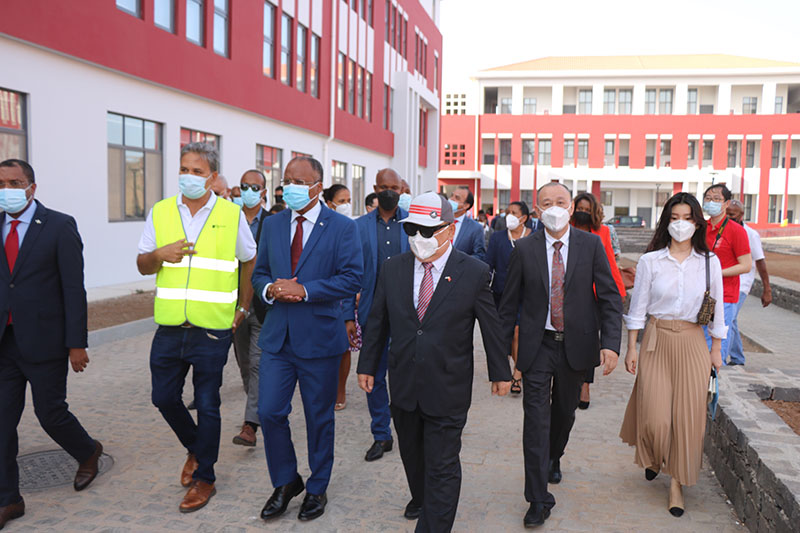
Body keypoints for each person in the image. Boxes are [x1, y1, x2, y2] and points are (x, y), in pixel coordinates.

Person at [357, 192, 511, 532]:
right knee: (414, 460)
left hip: (448, 386)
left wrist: (501, 372)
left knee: (442, 467)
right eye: (411, 230)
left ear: (449, 230)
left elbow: (491, 326)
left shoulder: (473, 272)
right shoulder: (393, 268)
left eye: (427, 231)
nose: (418, 238)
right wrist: (367, 365)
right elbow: (378, 320)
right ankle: (424, 501)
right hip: (404, 385)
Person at [136, 142, 257, 513]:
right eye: (184, 169)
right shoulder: (160, 211)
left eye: (197, 171)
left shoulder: (231, 214)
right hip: (170, 325)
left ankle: (206, 478)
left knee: (207, 403)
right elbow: (142, 264)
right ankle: (196, 447)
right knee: (163, 398)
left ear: (212, 177)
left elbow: (249, 259)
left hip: (211, 329)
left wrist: (243, 306)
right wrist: (159, 255)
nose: (188, 176)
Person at [498, 182, 622, 528]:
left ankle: (554, 456)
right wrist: (499, 360)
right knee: (535, 421)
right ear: (537, 210)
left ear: (570, 207)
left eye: (561, 201)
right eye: (546, 202)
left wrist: (611, 344)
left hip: (575, 346)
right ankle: (538, 498)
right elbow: (508, 306)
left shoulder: (591, 245)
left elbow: (610, 297)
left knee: (564, 413)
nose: (554, 207)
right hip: (537, 347)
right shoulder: (524, 248)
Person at [252, 156, 362, 522]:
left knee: (319, 418)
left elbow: (352, 278)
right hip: (278, 338)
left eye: (299, 182)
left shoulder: (342, 227)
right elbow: (259, 273)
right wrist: (270, 289)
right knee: (269, 412)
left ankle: (317, 487)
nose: (291, 187)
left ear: (318, 186)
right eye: (287, 180)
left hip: (320, 339)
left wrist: (306, 290)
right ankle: (286, 481)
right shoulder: (273, 224)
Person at [0, 159, 103, 530]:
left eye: (15, 183)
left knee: (51, 414)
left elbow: (73, 289)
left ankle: (87, 451)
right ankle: (9, 500)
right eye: (1, 183)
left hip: (45, 341)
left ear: (32, 187)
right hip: (4, 345)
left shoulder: (59, 225)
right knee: (2, 424)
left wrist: (77, 343)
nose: (7, 189)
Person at [620, 192, 725, 517]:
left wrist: (716, 349)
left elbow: (717, 309)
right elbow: (638, 307)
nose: (681, 225)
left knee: (687, 420)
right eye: (675, 218)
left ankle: (676, 484)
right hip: (656, 339)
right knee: (656, 418)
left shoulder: (710, 262)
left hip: (693, 342)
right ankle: (654, 456)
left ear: (698, 223)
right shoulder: (651, 261)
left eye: (688, 218)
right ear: (666, 222)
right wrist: (631, 347)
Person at [344, 169, 409, 462]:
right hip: (372, 313)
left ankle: (409, 430)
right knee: (373, 375)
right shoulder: (358, 227)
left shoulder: (413, 224)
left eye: (394, 187)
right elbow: (349, 274)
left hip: (408, 314)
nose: (389, 191)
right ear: (375, 188)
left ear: (402, 189)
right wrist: (348, 315)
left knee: (406, 375)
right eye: (384, 187)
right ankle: (381, 434)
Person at [570, 193, 626, 410]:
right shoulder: (566, 229)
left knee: (590, 341)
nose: (583, 213)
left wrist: (617, 292)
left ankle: (585, 385)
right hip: (570, 294)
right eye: (580, 209)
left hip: (595, 295)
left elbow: (610, 262)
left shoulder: (603, 232)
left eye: (587, 210)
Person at [231, 170, 271, 447]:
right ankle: (257, 407)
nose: (248, 191)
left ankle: (250, 424)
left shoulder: (273, 223)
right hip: (233, 304)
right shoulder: (229, 219)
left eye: (254, 187)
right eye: (244, 186)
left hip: (262, 305)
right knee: (244, 363)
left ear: (264, 192)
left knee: (257, 363)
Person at [701, 184, 751, 365]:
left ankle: (711, 381)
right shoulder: (700, 228)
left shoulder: (736, 230)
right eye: (708, 198)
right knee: (700, 345)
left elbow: (746, 265)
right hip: (702, 295)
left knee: (716, 349)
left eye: (717, 199)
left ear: (726, 203)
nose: (711, 202)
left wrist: (716, 273)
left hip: (725, 297)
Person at [486, 201, 532, 395]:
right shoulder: (497, 238)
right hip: (501, 294)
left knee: (518, 332)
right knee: (503, 334)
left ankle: (517, 374)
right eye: (507, 212)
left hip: (526, 295)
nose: (509, 216)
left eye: (514, 212)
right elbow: (488, 264)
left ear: (524, 218)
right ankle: (506, 370)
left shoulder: (533, 237)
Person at [321, 184, 355, 412]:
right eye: (342, 201)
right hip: (322, 292)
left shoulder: (351, 227)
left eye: (349, 200)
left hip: (344, 295)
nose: (346, 205)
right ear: (330, 203)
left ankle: (340, 389)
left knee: (344, 345)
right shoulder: (321, 227)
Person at [726, 200, 771, 365]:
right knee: (731, 319)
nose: (728, 217)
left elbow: (760, 262)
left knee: (728, 318)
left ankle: (724, 357)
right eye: (726, 214)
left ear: (741, 215)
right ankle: (737, 357)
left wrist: (767, 289)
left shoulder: (751, 234)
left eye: (732, 215)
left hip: (742, 283)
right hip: (725, 281)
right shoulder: (723, 230)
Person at [449, 186, 486, 262]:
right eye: (452, 195)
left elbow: (479, 255)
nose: (451, 199)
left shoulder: (476, 228)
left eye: (457, 198)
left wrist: (460, 262)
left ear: (466, 206)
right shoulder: (440, 221)